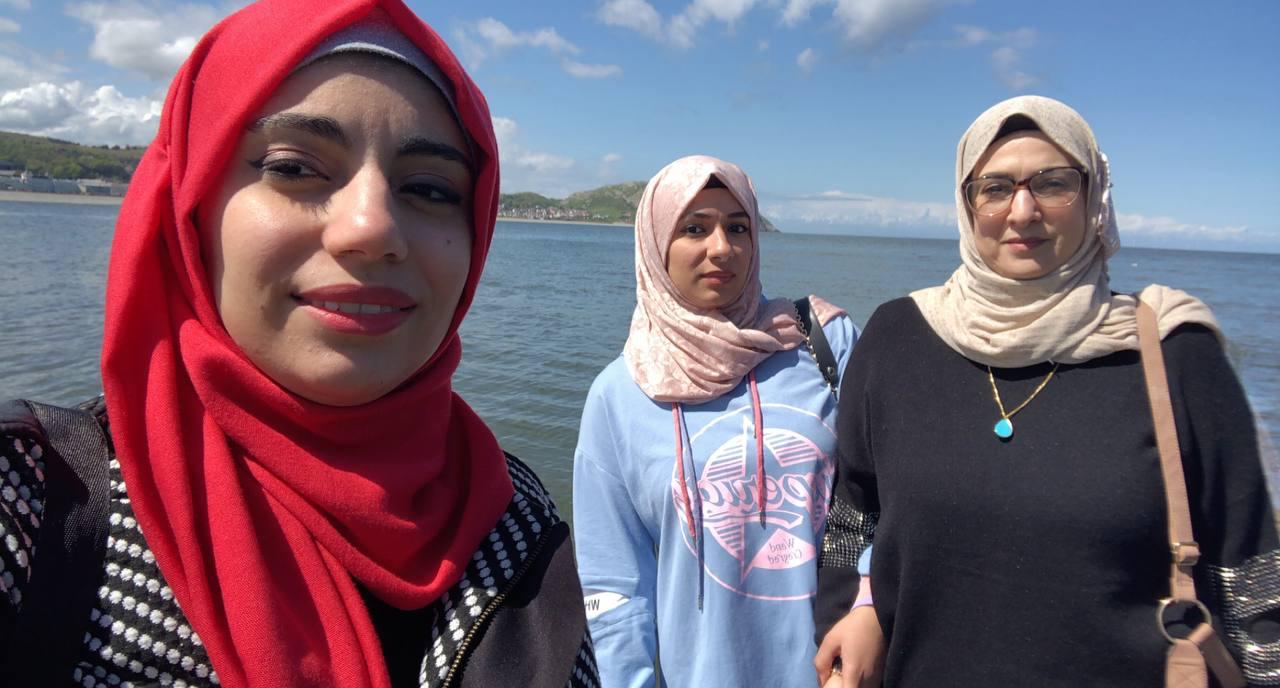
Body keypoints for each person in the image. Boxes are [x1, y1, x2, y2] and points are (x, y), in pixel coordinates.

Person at [0, 1, 597, 686]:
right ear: (190, 207)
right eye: (294, 167)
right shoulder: (36, 503)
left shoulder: (516, 520)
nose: (371, 227)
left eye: (430, 188)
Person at [814, 95, 1280, 687]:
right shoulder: (899, 336)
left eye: (1053, 183)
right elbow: (853, 516)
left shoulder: (1172, 352)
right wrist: (853, 613)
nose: (1023, 211)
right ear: (966, 202)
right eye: (995, 188)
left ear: (1094, 198)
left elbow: (1253, 583)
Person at [572, 155, 858, 687]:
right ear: (656, 244)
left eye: (738, 227)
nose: (721, 247)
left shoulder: (825, 344)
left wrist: (869, 607)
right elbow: (616, 588)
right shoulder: (620, 394)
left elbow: (888, 499)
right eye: (694, 228)